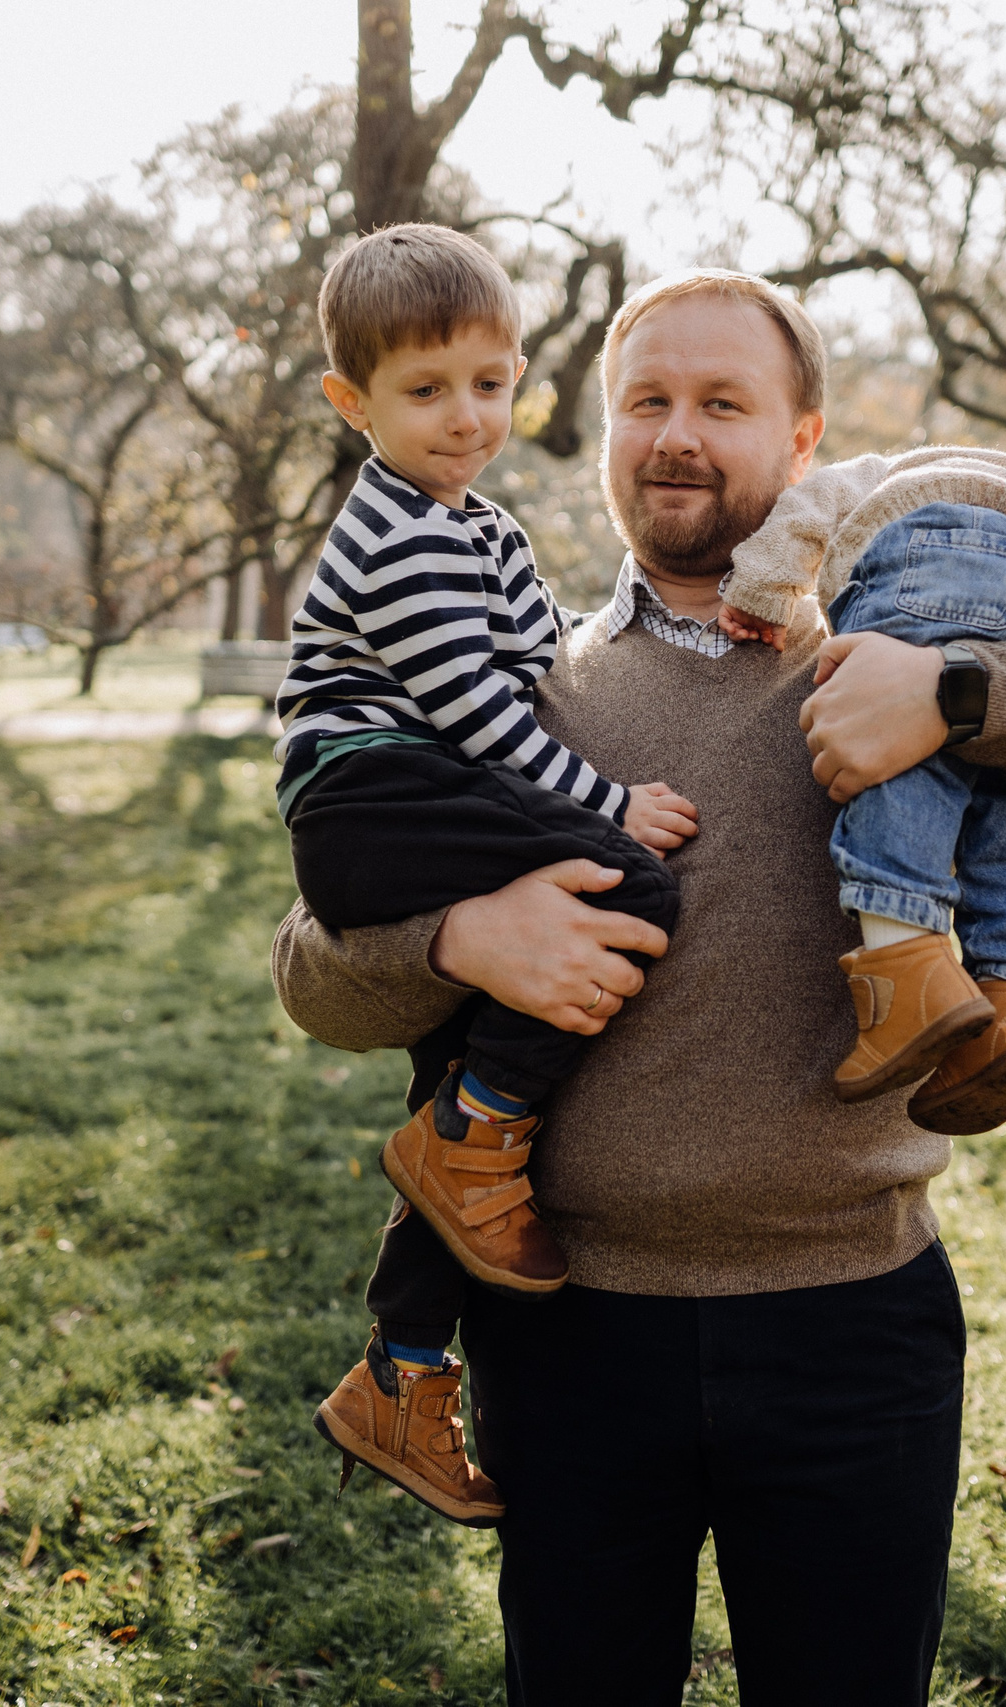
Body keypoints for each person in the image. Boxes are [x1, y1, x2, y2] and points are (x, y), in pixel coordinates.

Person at [274, 268, 1006, 1705]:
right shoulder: (516, 693)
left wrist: (956, 695)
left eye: (722, 404)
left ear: (803, 444)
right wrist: (457, 941)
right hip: (569, 1329)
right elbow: (311, 972)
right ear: (602, 435)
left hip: (851, 1318)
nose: (676, 435)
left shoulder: (891, 654)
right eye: (646, 402)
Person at [275, 224, 699, 1528]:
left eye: (490, 383)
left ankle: (400, 1371)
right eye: (426, 389)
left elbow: (543, 664)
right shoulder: (398, 537)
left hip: (415, 790)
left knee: (459, 1087)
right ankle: (475, 1141)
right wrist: (612, 807)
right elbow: (482, 719)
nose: (467, 416)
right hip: (369, 794)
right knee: (629, 885)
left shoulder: (474, 525)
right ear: (352, 402)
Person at [714, 446, 1006, 1132]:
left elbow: (810, 507)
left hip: (938, 553)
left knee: (891, 745)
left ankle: (905, 963)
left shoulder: (893, 474)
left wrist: (761, 591)